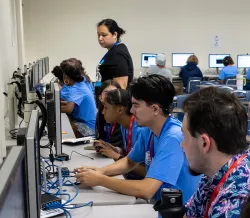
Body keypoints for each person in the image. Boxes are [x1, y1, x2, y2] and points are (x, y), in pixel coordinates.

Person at [74, 75, 201, 204]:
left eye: (136, 105)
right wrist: (100, 171)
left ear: (155, 109)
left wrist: (100, 179)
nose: (131, 110)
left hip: (179, 211)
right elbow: (129, 161)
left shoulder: (172, 137)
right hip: (161, 204)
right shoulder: (149, 129)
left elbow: (147, 190)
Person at [182, 87, 250, 217]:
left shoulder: (234, 203)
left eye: (184, 136)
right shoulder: (214, 172)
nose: (182, 145)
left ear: (204, 143)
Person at [94, 88, 146, 179]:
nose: (102, 112)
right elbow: (130, 153)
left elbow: (146, 170)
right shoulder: (123, 124)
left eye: (106, 108)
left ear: (120, 110)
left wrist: (116, 156)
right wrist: (113, 149)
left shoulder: (140, 130)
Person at [60, 62, 96, 138]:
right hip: (86, 123)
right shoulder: (79, 84)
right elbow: (71, 103)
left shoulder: (76, 88)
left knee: (65, 130)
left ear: (66, 76)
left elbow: (69, 109)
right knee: (64, 125)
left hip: (88, 127)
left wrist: (51, 109)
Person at [96, 19, 134, 89]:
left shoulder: (118, 53)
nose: (100, 38)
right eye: (98, 35)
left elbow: (121, 87)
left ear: (115, 34)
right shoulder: (113, 51)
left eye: (104, 35)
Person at [96, 80, 123, 149]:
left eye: (114, 93)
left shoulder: (120, 117)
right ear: (100, 97)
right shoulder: (100, 114)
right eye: (106, 93)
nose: (110, 96)